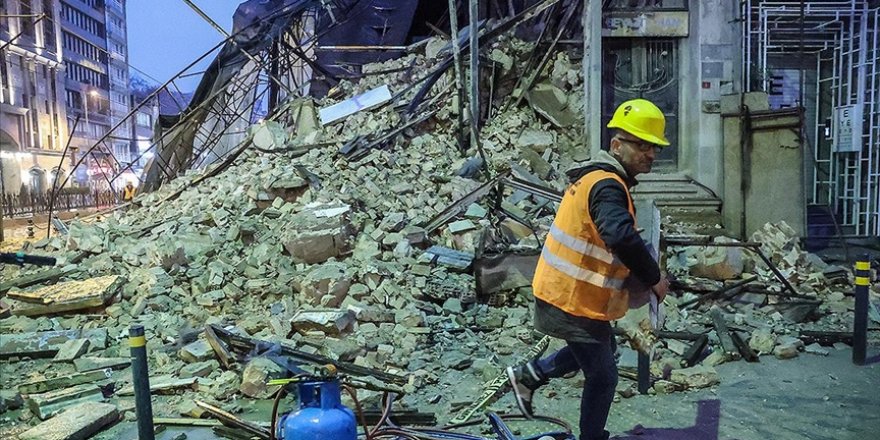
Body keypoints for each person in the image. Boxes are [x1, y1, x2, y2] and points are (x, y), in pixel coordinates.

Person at [507, 99, 672, 440]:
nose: (651, 154)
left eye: (653, 147)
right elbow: (619, 235)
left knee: (603, 352)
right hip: (570, 298)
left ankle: (529, 375)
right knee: (605, 375)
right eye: (642, 145)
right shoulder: (608, 185)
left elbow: (607, 234)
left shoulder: (600, 180)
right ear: (616, 145)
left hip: (569, 292)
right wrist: (654, 278)